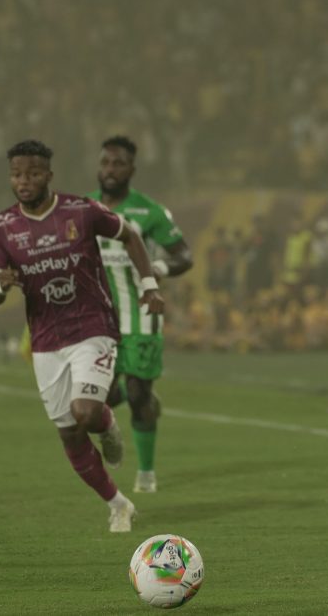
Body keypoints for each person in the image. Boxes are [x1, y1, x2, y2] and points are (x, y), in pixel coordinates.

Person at [0, 139, 164, 533]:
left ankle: (105, 422)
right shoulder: (1, 227)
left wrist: (149, 284)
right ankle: (118, 504)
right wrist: (1, 286)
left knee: (86, 412)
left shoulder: (81, 210)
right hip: (46, 339)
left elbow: (130, 235)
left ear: (48, 175)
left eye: (32, 174)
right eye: (17, 175)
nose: (24, 181)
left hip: (92, 326)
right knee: (69, 433)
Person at [87, 135, 193, 493]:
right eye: (105, 162)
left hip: (141, 315)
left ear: (132, 169)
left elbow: (184, 255)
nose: (111, 169)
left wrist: (158, 269)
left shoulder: (150, 212)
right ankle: (136, 396)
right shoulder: (85, 209)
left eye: (118, 163)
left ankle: (146, 473)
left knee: (137, 393)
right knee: (96, 398)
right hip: (98, 320)